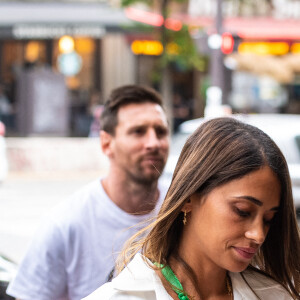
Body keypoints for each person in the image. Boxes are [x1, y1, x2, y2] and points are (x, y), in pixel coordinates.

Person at [84, 117, 300, 300]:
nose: (258, 235)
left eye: (269, 219)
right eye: (242, 211)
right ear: (188, 198)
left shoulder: (274, 295)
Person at [6, 84, 170, 300]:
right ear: (106, 143)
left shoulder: (184, 209)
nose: (153, 142)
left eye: (160, 132)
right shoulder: (65, 224)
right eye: (138, 132)